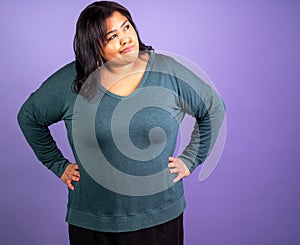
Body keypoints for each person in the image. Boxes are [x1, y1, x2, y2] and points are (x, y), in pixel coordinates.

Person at [17, 1, 225, 245]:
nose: (125, 39)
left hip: (160, 219)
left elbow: (213, 107)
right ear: (94, 45)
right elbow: (29, 117)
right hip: (93, 224)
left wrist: (191, 159)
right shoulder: (72, 81)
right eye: (112, 36)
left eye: (127, 28)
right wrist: (57, 164)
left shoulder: (168, 71)